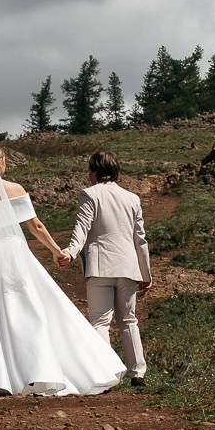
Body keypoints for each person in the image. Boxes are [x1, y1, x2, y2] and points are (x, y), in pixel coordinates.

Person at [0, 143, 126, 397]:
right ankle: (43, 369)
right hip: (15, 256)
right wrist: (56, 251)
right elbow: (36, 226)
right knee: (33, 309)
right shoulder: (14, 189)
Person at [58, 150, 151, 387]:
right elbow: (140, 239)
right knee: (129, 320)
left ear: (94, 171)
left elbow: (82, 227)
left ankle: (109, 372)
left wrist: (71, 252)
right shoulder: (132, 198)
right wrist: (146, 272)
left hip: (100, 266)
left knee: (100, 321)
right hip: (128, 266)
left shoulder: (89, 195)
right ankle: (137, 373)